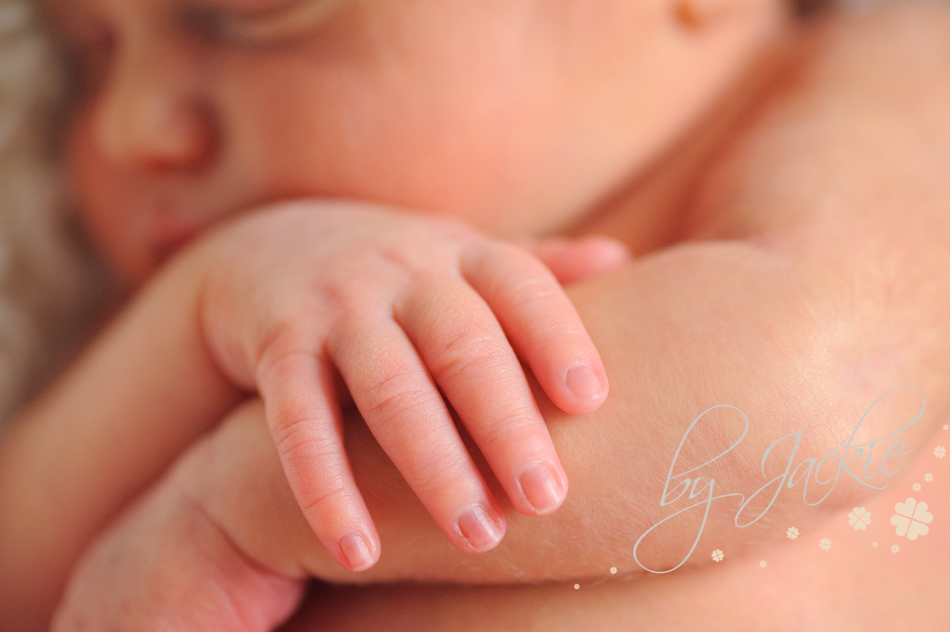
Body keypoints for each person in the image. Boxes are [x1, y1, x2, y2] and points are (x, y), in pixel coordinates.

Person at [4, 0, 950, 629]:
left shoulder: (883, 89)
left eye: (253, 11)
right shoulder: (268, 300)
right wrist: (202, 313)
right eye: (94, 54)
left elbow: (818, 383)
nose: (130, 125)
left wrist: (245, 502)